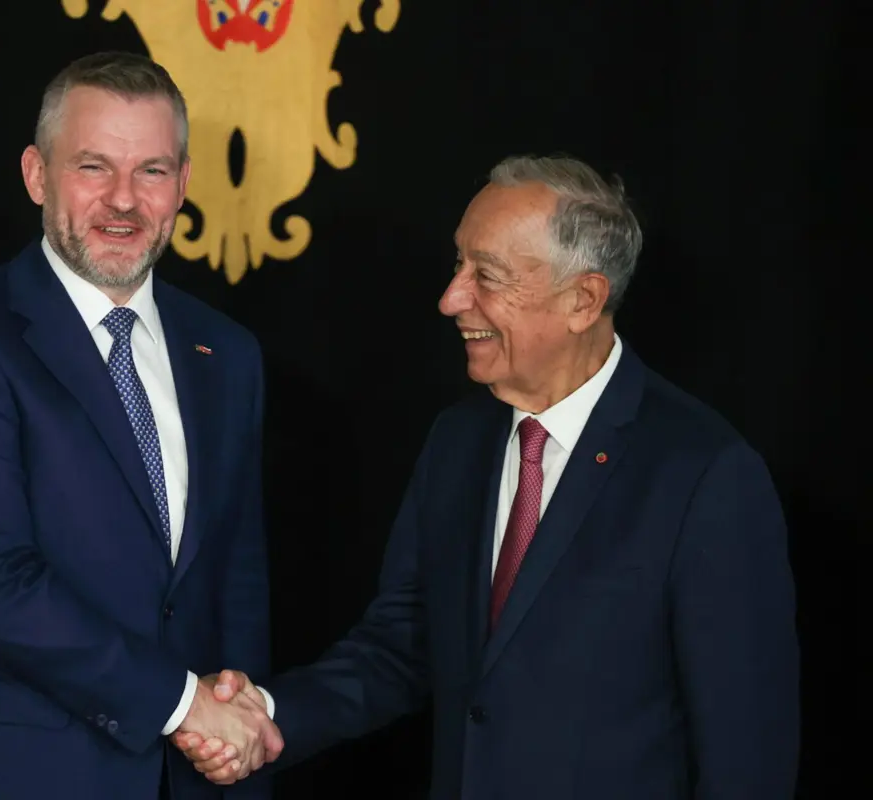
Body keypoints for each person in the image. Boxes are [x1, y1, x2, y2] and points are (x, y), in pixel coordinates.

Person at [174, 155, 801, 799]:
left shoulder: (705, 474)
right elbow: (405, 644)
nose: (451, 299)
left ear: (583, 300)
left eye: (488, 276)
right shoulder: (459, 440)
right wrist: (272, 719)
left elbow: (746, 757)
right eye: (458, 265)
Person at [0, 51, 282, 800]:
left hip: (196, 776)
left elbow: (237, 578)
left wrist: (238, 735)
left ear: (185, 183)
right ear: (37, 175)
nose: (124, 201)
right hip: (14, 775)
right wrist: (182, 703)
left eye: (153, 172)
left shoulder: (226, 353)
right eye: (94, 167)